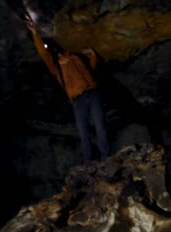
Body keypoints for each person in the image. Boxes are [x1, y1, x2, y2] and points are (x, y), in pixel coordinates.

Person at [27, 21, 110, 163]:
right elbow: (43, 52)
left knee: (100, 126)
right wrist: (35, 34)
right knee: (83, 133)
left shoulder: (74, 56)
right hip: (78, 99)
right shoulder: (56, 67)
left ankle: (106, 158)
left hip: (92, 92)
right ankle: (88, 162)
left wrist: (93, 56)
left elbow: (89, 71)